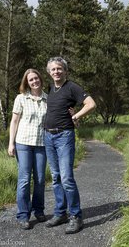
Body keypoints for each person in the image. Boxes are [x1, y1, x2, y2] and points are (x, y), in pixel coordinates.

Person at [44, 57, 96, 234]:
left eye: (59, 69)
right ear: (49, 72)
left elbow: (91, 104)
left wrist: (76, 116)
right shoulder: (51, 88)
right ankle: (60, 213)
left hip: (64, 136)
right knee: (56, 177)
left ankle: (76, 216)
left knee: (66, 178)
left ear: (65, 71)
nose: (56, 72)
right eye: (53, 69)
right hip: (48, 136)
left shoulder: (72, 87)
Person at [8, 69, 47, 230]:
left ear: (40, 79)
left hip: (41, 144)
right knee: (24, 180)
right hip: (23, 143)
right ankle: (23, 215)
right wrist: (11, 143)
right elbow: (14, 121)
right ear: (27, 82)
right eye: (30, 80)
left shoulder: (48, 99)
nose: (34, 81)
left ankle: (38, 210)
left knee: (39, 180)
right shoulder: (21, 98)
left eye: (36, 78)